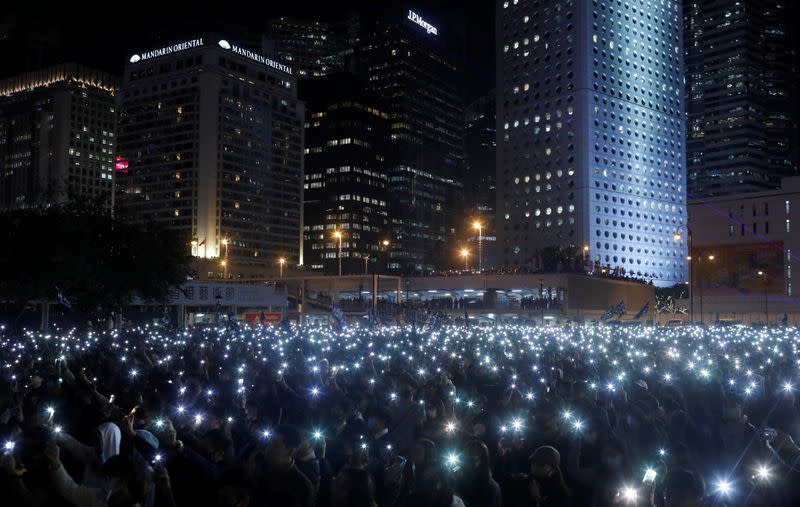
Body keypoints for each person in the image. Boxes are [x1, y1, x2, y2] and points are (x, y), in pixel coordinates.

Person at [253, 424, 315, 507]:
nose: (268, 449)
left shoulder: (302, 485)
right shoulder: (262, 470)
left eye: (275, 446)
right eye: (268, 444)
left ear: (290, 451)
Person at [458, 440, 502, 507]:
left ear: (482, 460)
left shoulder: (491, 487)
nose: (465, 462)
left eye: (470, 458)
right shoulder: (460, 482)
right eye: (464, 458)